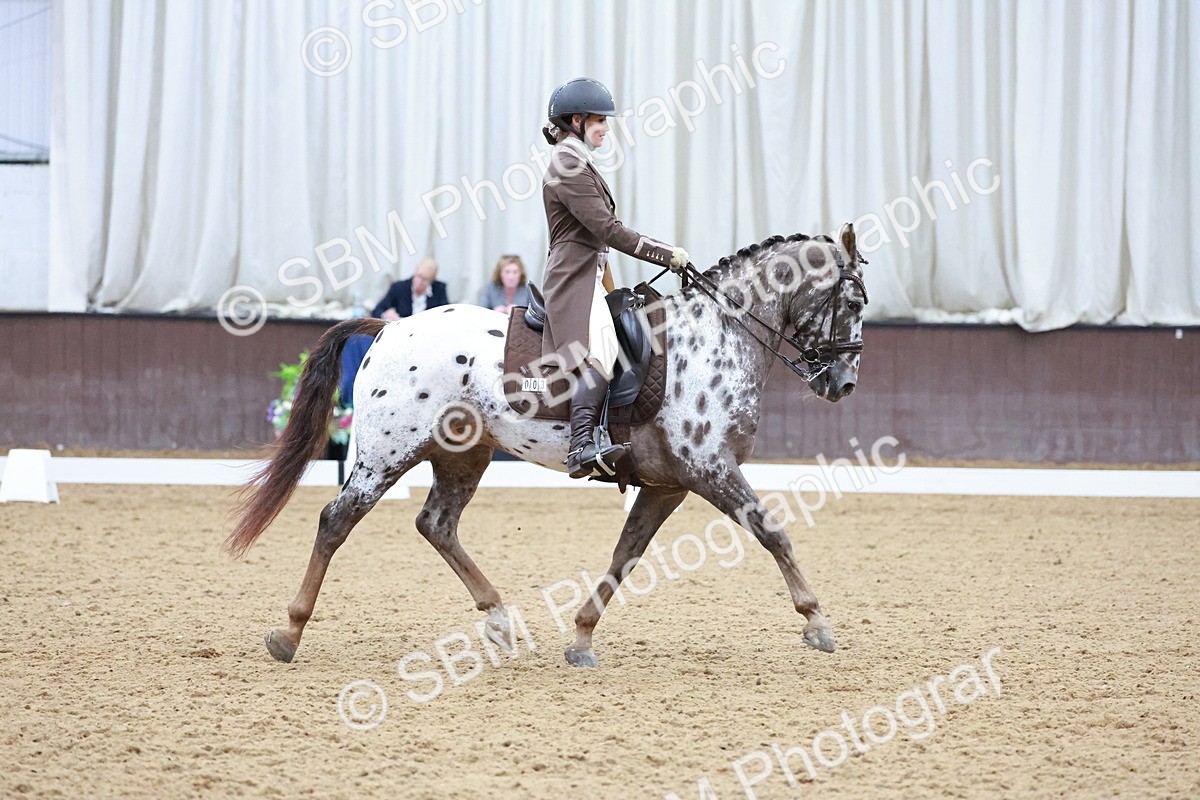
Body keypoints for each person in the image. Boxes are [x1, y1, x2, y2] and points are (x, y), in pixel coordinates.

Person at [540, 77, 690, 479]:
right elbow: (607, 229)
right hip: (573, 279)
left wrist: (613, 286)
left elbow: (599, 243)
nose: (606, 128)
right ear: (576, 120)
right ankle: (581, 446)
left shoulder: (578, 161)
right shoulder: (567, 164)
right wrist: (666, 254)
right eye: (599, 121)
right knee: (602, 353)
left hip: (590, 275)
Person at [372, 258, 449, 319]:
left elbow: (446, 313)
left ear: (432, 280)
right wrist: (385, 315)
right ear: (415, 272)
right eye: (419, 276)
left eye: (425, 279)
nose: (420, 281)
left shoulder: (439, 289)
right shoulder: (399, 287)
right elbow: (377, 311)